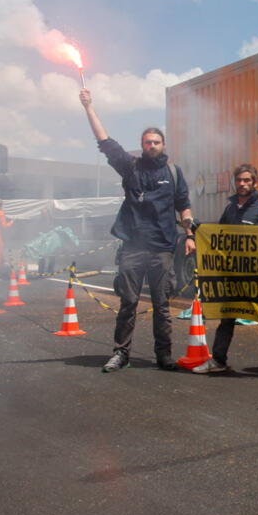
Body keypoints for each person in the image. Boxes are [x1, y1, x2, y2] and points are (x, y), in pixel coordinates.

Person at [79, 87, 194, 373]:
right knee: (128, 303)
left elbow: (184, 206)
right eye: (147, 142)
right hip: (133, 248)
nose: (152, 145)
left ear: (163, 145)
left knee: (162, 306)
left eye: (156, 141)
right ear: (141, 145)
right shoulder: (130, 168)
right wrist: (88, 107)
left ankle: (164, 356)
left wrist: (190, 232)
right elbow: (104, 141)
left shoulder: (174, 173)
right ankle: (121, 354)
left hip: (163, 249)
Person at [192, 163, 258, 384]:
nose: (242, 184)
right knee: (226, 318)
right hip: (231, 277)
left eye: (247, 180)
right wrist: (195, 231)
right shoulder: (229, 209)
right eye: (239, 180)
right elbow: (217, 239)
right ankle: (218, 361)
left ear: (254, 183)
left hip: (257, 279)